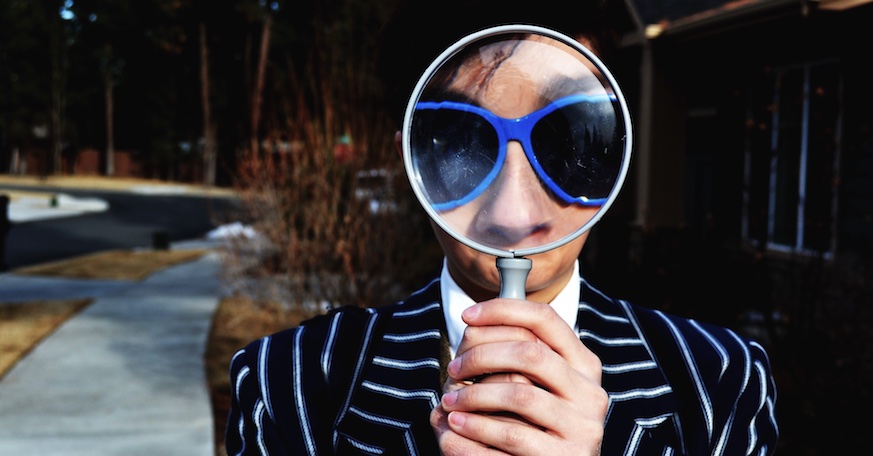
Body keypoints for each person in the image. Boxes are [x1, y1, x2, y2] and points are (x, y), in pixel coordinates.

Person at [225, 0, 779, 455]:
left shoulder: (722, 383)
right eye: (463, 143)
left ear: (614, 147)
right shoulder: (288, 384)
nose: (513, 216)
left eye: (564, 136)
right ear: (412, 165)